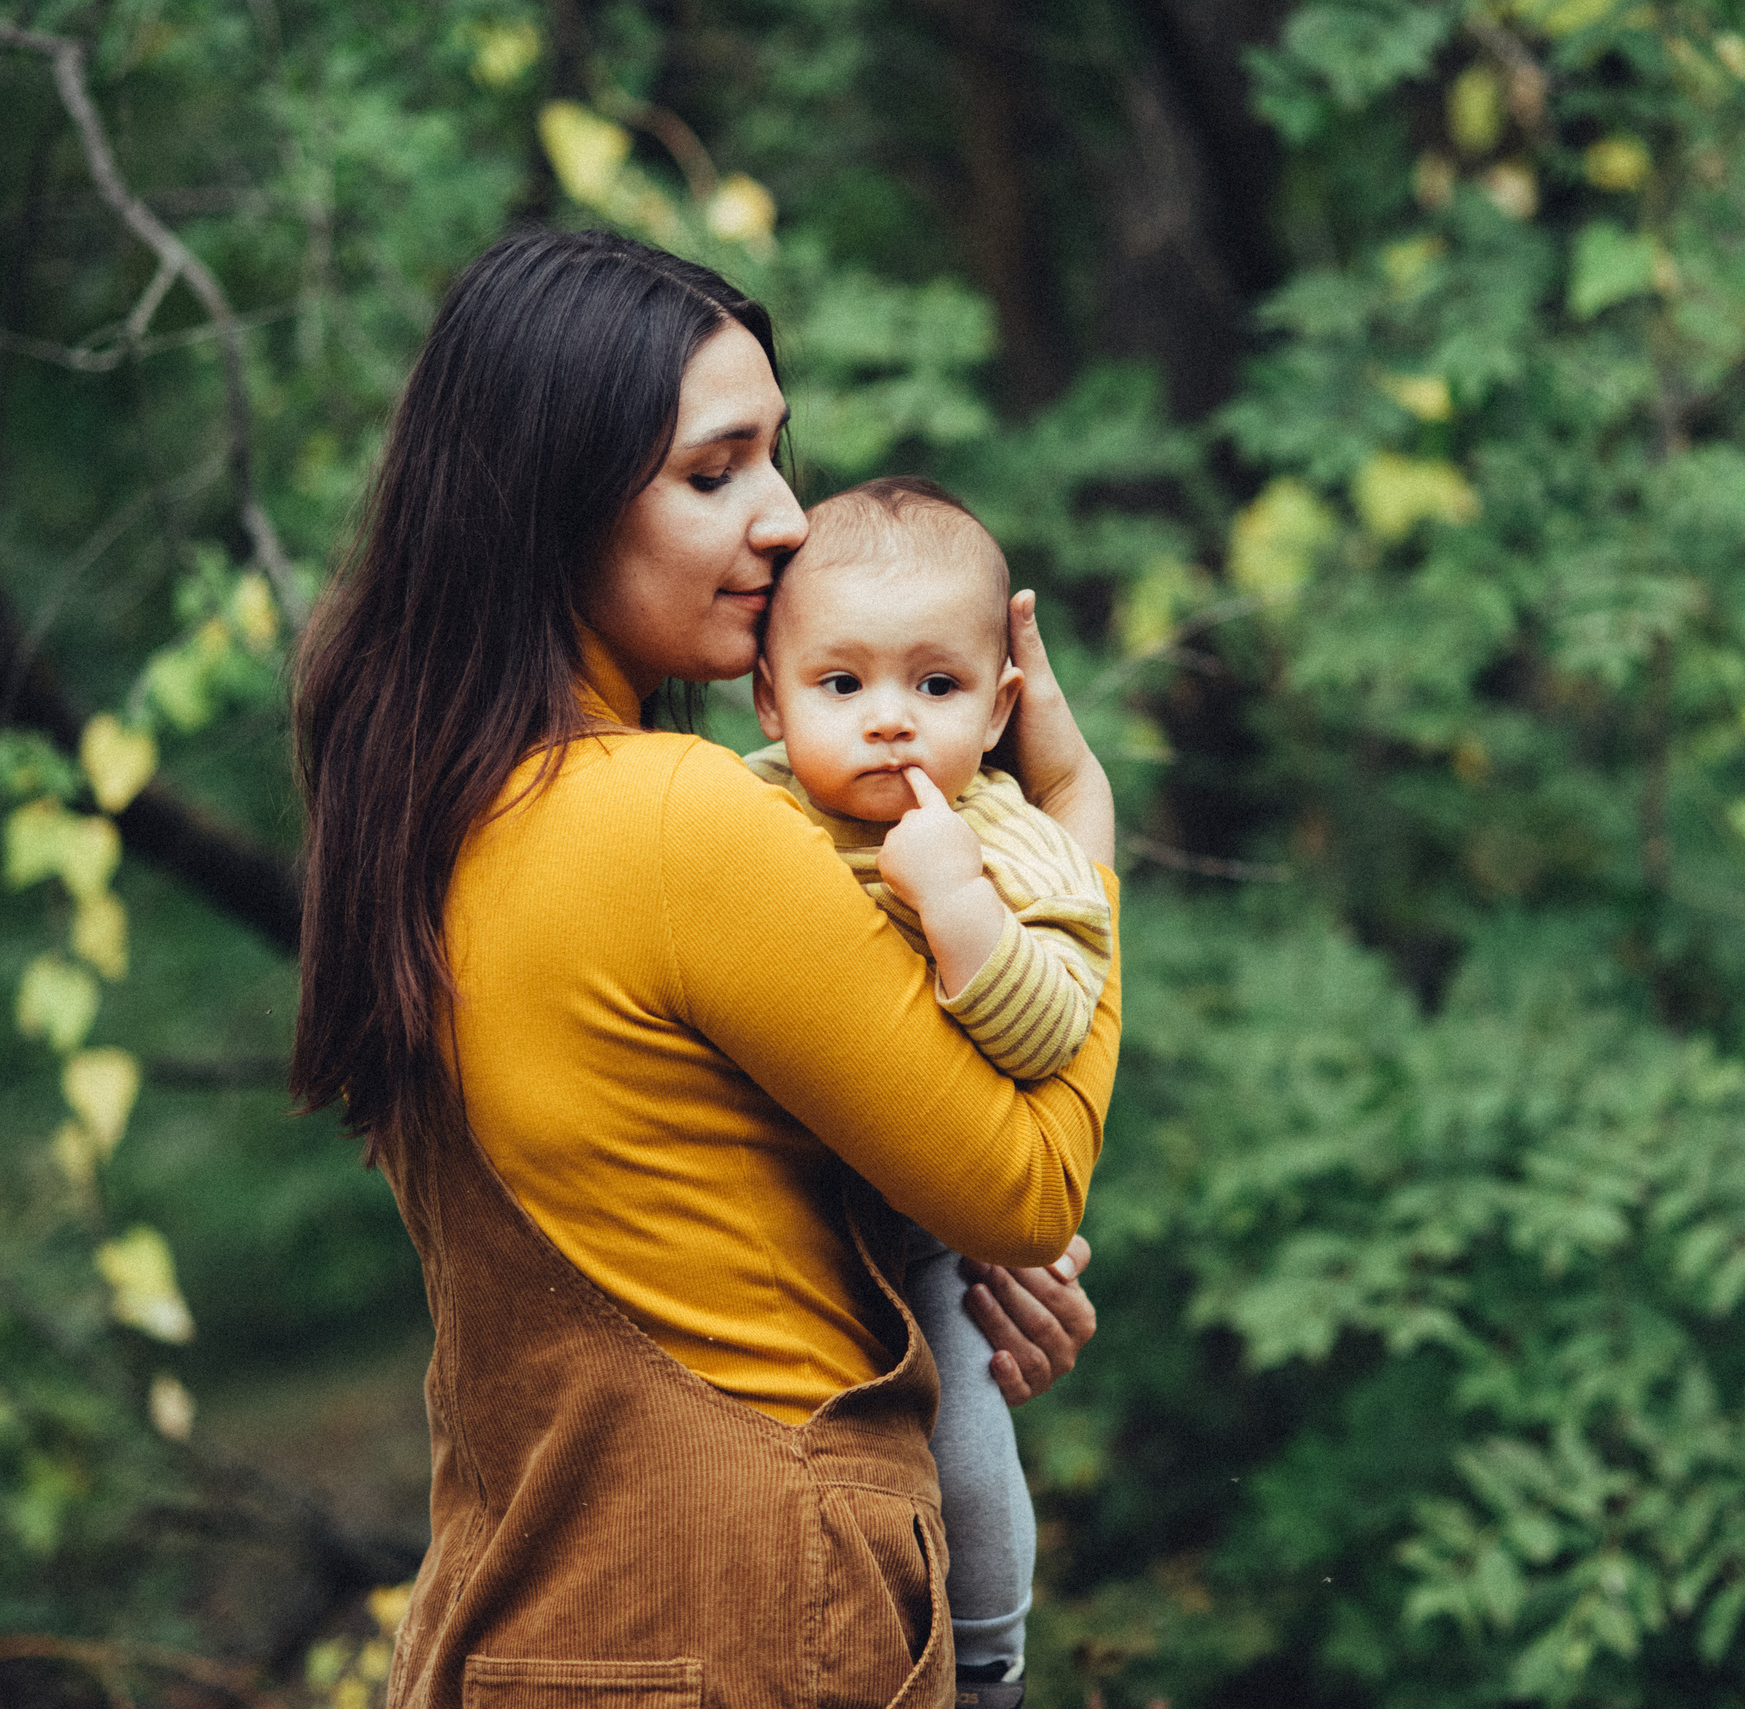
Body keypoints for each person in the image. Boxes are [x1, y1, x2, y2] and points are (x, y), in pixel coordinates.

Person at [289, 224, 1118, 1709]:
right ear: (556, 501)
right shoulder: (673, 816)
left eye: (778, 458)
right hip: (744, 1627)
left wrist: (932, 1288)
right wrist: (1075, 840)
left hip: (520, 1626)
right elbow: (1033, 1181)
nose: (790, 519)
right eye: (715, 470)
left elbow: (680, 1220)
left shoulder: (438, 812)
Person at [743, 476, 1115, 1693]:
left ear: (1003, 705)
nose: (890, 720)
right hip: (781, 1235)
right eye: (841, 684)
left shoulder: (1007, 842)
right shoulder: (742, 822)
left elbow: (1061, 1021)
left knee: (967, 1460)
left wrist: (956, 904)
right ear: (770, 696)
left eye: (936, 685)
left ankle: (991, 1659)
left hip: (929, 1243)